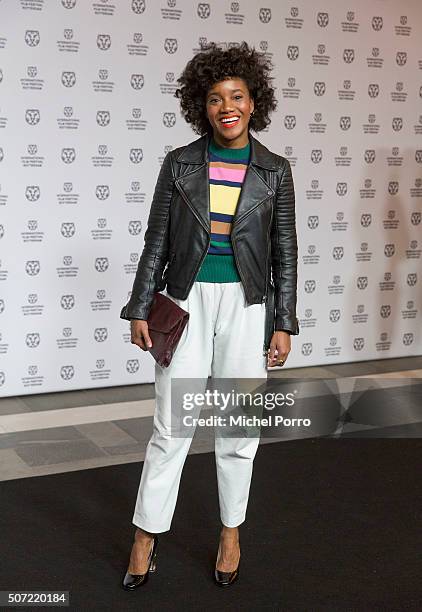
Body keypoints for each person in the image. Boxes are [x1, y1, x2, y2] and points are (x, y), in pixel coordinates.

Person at [119, 41, 299, 590]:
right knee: (172, 426)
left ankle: (230, 531)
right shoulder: (180, 163)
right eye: (217, 97)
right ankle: (146, 538)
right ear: (203, 105)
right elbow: (156, 241)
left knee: (239, 427)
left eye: (238, 96)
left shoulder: (275, 171)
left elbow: (285, 248)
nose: (228, 106)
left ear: (253, 102)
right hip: (186, 299)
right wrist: (140, 305)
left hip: (248, 305)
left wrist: (283, 320)